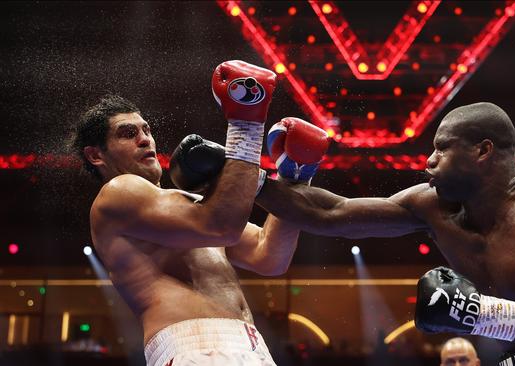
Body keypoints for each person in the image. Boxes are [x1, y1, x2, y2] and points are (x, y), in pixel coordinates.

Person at [255, 102, 515, 365]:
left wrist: (482, 315)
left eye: (442, 149)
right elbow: (331, 212)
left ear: (482, 150)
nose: (428, 160)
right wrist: (239, 173)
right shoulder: (432, 207)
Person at [71, 60, 326, 366]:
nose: (144, 139)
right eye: (127, 133)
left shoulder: (189, 204)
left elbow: (269, 256)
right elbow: (221, 227)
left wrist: (295, 177)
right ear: (96, 155)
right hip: (195, 347)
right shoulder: (118, 194)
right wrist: (246, 125)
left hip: (252, 347)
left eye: (146, 130)